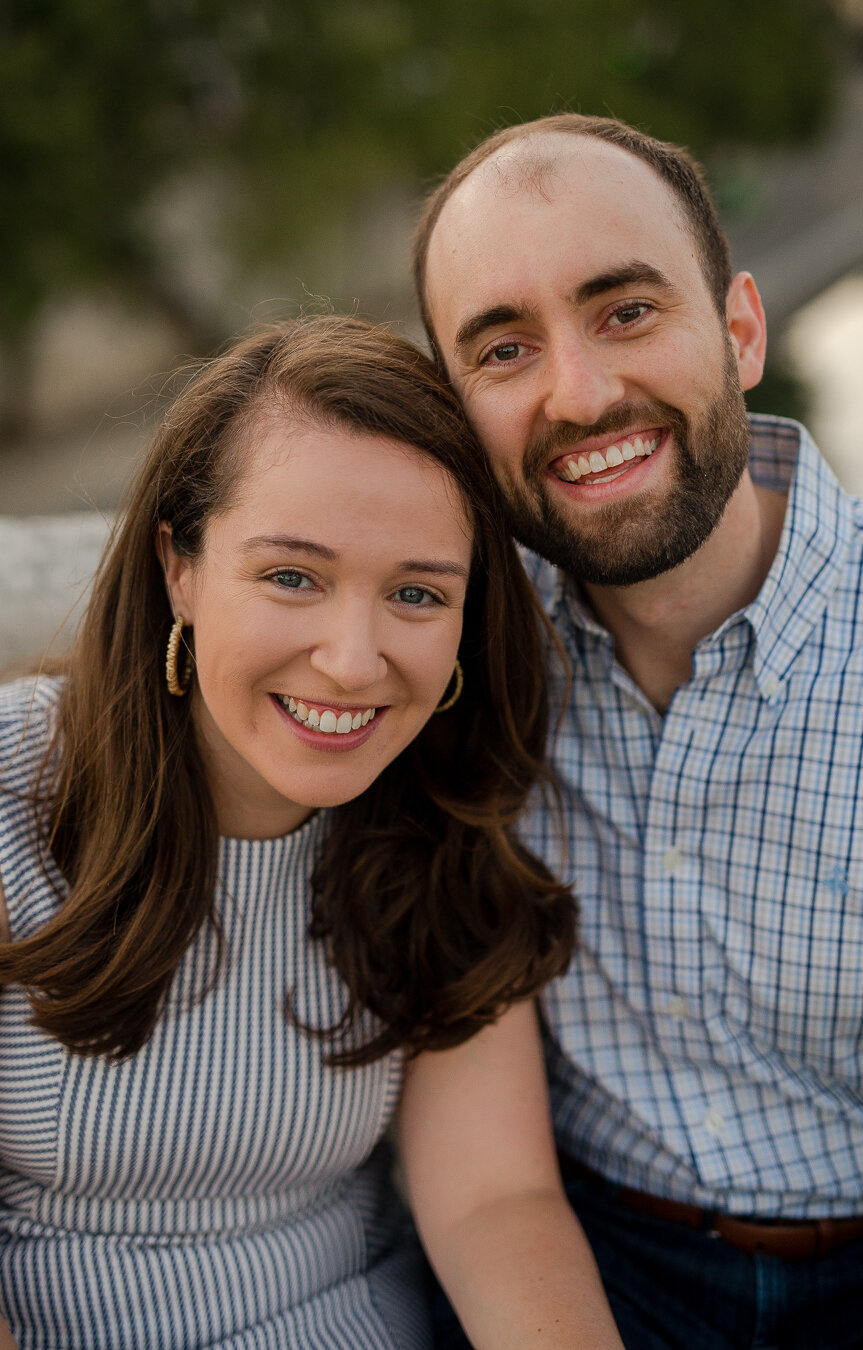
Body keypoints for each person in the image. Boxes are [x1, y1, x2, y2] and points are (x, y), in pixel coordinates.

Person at [0, 315, 625, 1350]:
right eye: (293, 576)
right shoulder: (13, 789)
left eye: (417, 594)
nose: (350, 660)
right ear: (180, 569)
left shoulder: (446, 818)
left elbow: (494, 1206)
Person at [413, 114, 863, 1348]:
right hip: (586, 1261)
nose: (580, 394)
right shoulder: (445, 664)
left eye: (626, 311)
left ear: (741, 331)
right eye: (506, 348)